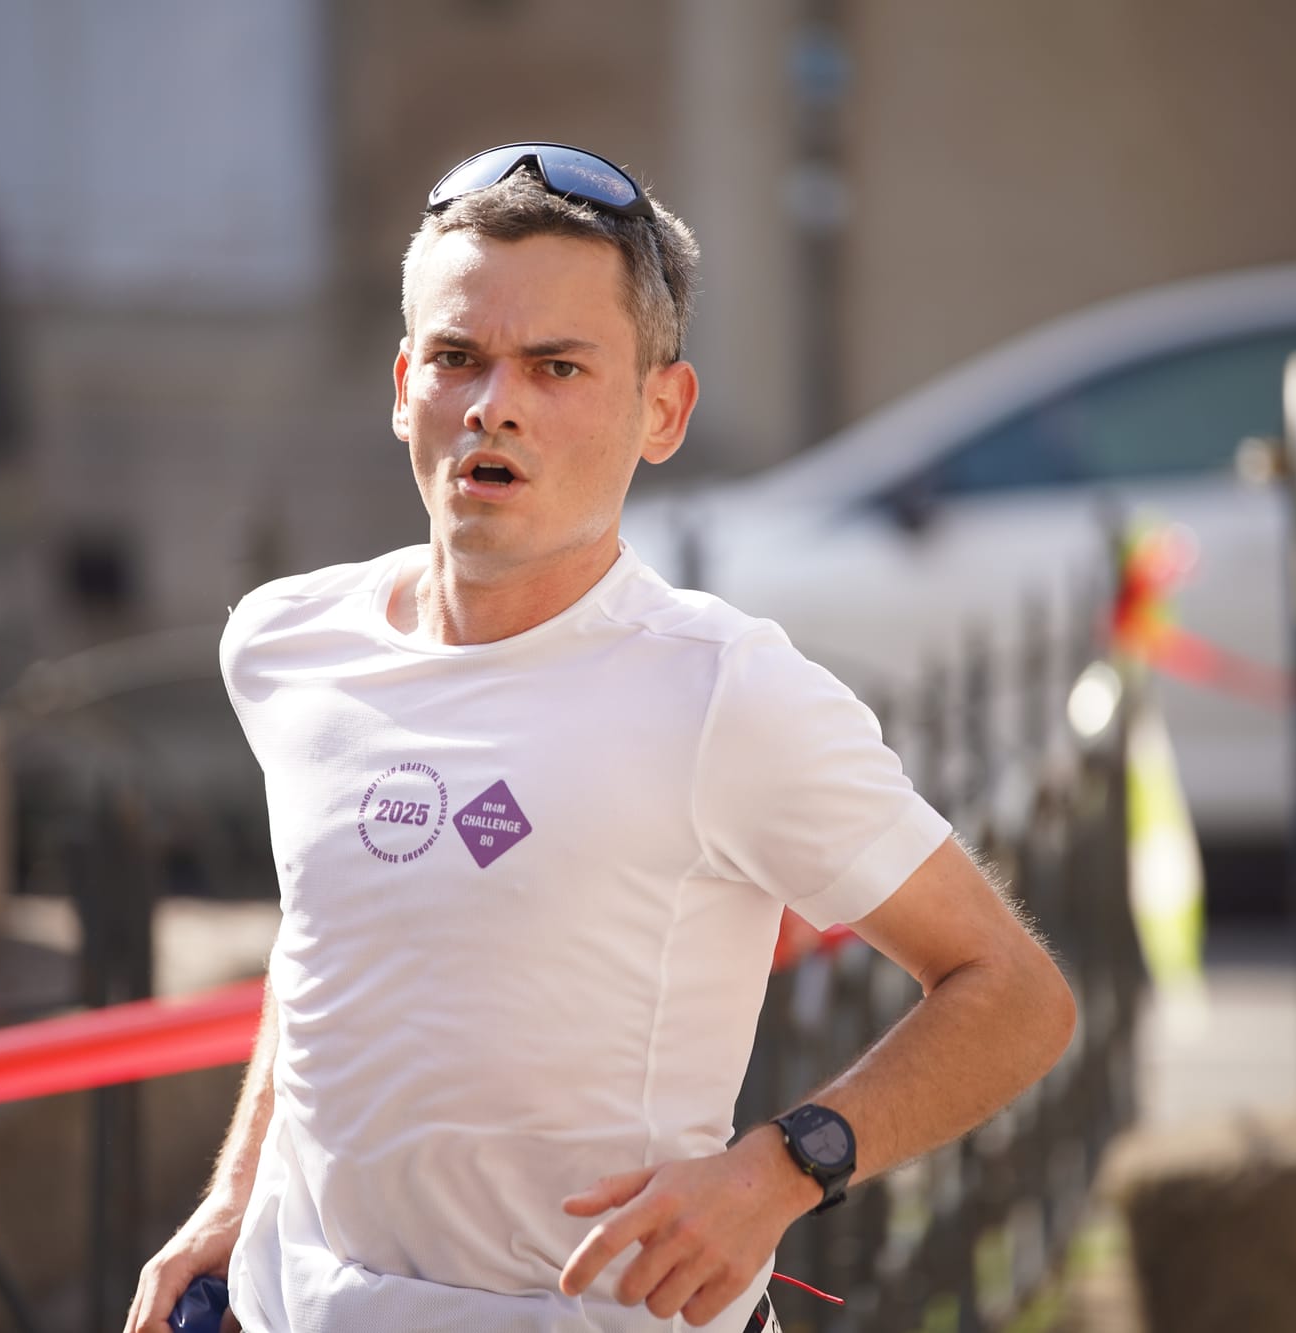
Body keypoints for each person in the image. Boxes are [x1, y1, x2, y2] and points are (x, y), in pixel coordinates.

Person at [124, 141, 1076, 1333]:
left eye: (557, 366)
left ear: (660, 409)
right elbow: (331, 943)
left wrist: (777, 1170)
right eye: (458, 359)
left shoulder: (727, 692)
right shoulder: (283, 643)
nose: (494, 404)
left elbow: (1013, 994)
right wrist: (234, 1192)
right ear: (402, 381)